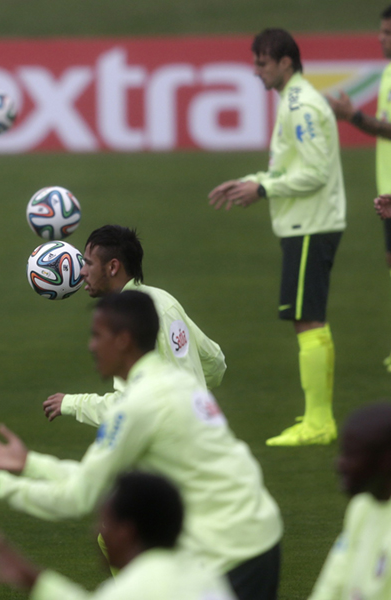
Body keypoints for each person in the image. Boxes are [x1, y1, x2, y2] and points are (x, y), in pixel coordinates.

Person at [0, 291, 282, 600]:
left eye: (97, 335)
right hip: (257, 535)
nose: (91, 346)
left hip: (229, 554)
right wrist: (30, 464)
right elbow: (99, 480)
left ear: (124, 340)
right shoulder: (177, 382)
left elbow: (78, 497)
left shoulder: (138, 406)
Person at [208, 28, 345, 447]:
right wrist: (253, 180)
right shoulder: (294, 99)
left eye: (261, 63)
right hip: (307, 222)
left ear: (286, 62)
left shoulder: (301, 106)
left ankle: (320, 421)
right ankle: (317, 414)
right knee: (307, 317)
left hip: (311, 224)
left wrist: (263, 189)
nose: (255, 71)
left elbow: (316, 173)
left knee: (309, 318)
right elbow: (292, 167)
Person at [42, 225, 225, 426]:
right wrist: (192, 394)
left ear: (112, 267)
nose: (82, 272)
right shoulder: (164, 300)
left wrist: (72, 403)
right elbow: (215, 361)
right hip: (200, 430)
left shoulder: (127, 319)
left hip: (171, 439)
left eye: (88, 263)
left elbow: (128, 408)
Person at [0, 472, 237, 600]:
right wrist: (35, 580)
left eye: (105, 522)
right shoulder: (201, 572)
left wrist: (33, 579)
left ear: (126, 532)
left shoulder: (143, 585)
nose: (96, 531)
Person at [326, 5, 391, 371]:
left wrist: (353, 117)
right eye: (381, 31)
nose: (381, 37)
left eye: (388, 32)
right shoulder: (387, 74)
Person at [308, 402, 391, 600]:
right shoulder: (362, 506)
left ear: (386, 461)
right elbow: (334, 580)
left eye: (352, 454)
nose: (339, 463)